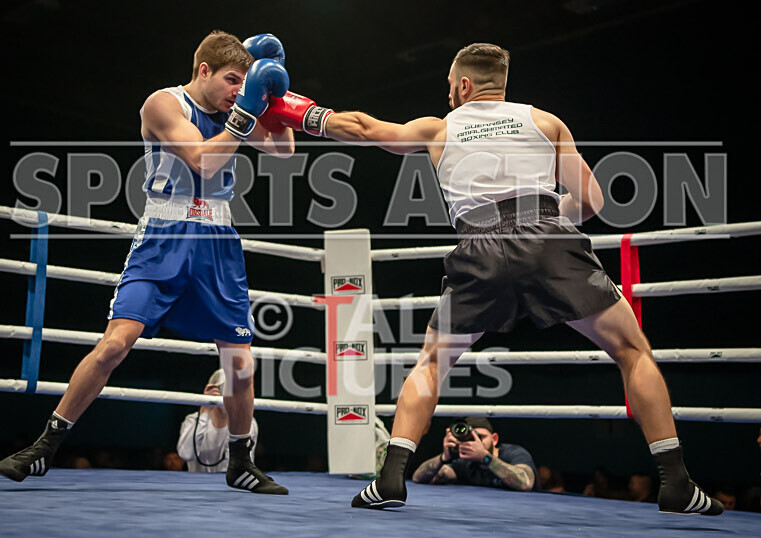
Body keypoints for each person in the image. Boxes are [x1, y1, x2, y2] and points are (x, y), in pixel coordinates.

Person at [260, 42, 724, 514]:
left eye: (448, 87)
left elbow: (362, 128)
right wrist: (547, 227)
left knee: (431, 366)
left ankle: (391, 480)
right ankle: (676, 484)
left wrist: (288, 108)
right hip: (548, 236)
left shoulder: (439, 128)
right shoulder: (546, 122)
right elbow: (591, 202)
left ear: (462, 85)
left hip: (478, 242)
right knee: (631, 350)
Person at [0, 31, 293, 495]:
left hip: (218, 239)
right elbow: (203, 163)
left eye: (245, 82)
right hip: (165, 236)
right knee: (117, 343)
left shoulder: (236, 110)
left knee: (239, 362)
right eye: (233, 80)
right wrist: (246, 111)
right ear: (204, 70)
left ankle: (239, 462)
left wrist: (271, 98)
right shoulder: (164, 105)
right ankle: (44, 447)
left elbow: (283, 149)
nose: (238, 90)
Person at [412, 417, 538, 492]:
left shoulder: (513, 453)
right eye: (471, 438)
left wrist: (485, 457)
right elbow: (418, 478)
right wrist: (443, 457)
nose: (475, 443)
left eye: (480, 437)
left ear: (494, 439)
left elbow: (525, 482)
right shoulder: (466, 462)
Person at [177, 369, 258, 473]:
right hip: (197, 484)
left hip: (227, 486)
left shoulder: (248, 422)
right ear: (214, 390)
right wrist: (205, 411)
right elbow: (186, 454)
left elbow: (241, 467)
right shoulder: (192, 420)